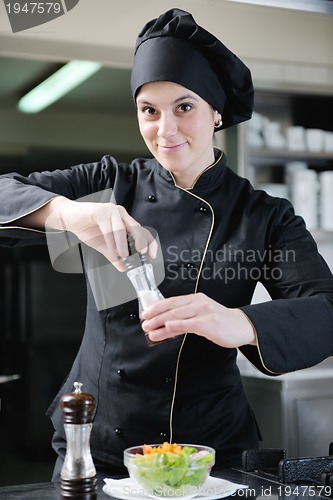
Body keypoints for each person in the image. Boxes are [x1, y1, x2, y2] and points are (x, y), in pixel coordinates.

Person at [0, 7, 333, 480]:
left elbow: (327, 309)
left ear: (216, 112)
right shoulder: (107, 183)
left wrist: (239, 321)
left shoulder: (263, 216)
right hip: (100, 447)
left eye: (184, 107)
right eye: (149, 111)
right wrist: (68, 213)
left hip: (211, 453)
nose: (165, 129)